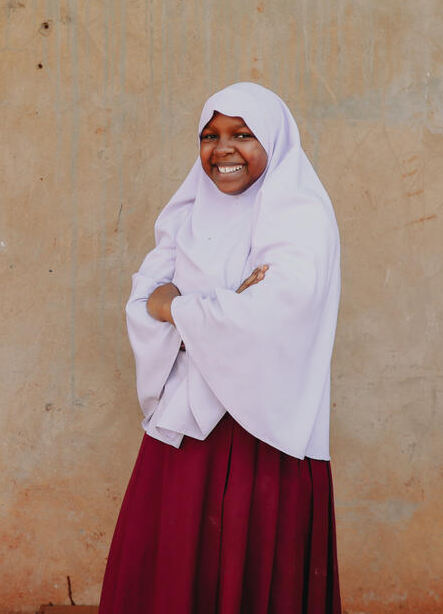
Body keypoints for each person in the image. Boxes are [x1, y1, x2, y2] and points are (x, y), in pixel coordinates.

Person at [99, 82, 342, 614]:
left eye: (242, 134)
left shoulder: (300, 217)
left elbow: (279, 308)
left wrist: (181, 308)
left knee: (253, 572)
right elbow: (144, 298)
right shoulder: (186, 215)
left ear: (273, 142)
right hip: (188, 430)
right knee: (172, 566)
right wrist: (223, 304)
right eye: (210, 135)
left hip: (265, 434)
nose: (222, 149)